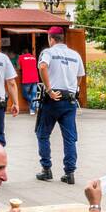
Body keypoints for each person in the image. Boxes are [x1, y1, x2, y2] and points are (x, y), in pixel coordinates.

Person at [35, 28, 86, 185]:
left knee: (43, 134)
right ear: (62, 39)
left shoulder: (48, 52)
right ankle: (69, 173)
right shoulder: (75, 55)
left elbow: (42, 67)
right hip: (69, 99)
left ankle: (46, 169)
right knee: (69, 137)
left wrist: (49, 89)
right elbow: (80, 76)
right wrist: (74, 88)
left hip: (52, 99)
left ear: (51, 39)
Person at [18, 47, 40, 114]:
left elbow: (19, 67)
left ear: (22, 53)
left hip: (27, 78)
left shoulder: (21, 57)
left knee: (25, 94)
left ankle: (36, 103)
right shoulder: (33, 57)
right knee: (33, 94)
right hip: (35, 78)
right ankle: (33, 109)